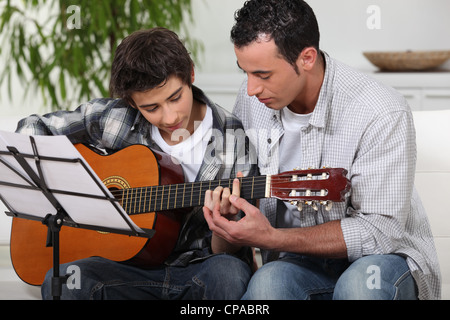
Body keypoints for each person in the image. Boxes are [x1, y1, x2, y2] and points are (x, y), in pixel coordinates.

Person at [203, 0, 441, 300]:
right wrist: (228, 219)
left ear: (307, 58)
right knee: (267, 286)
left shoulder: (380, 111)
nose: (251, 89)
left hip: (385, 260)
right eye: (245, 73)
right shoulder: (253, 100)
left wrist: (273, 237)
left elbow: (380, 234)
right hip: (297, 260)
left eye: (263, 75)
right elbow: (242, 196)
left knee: (359, 287)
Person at [15, 27, 257, 300]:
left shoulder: (233, 140)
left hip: (197, 268)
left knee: (230, 276)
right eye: (151, 108)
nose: (169, 116)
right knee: (65, 281)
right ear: (132, 102)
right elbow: (33, 128)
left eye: (175, 97)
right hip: (127, 268)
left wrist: (223, 224)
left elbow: (228, 251)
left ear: (190, 72)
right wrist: (69, 188)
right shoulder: (115, 118)